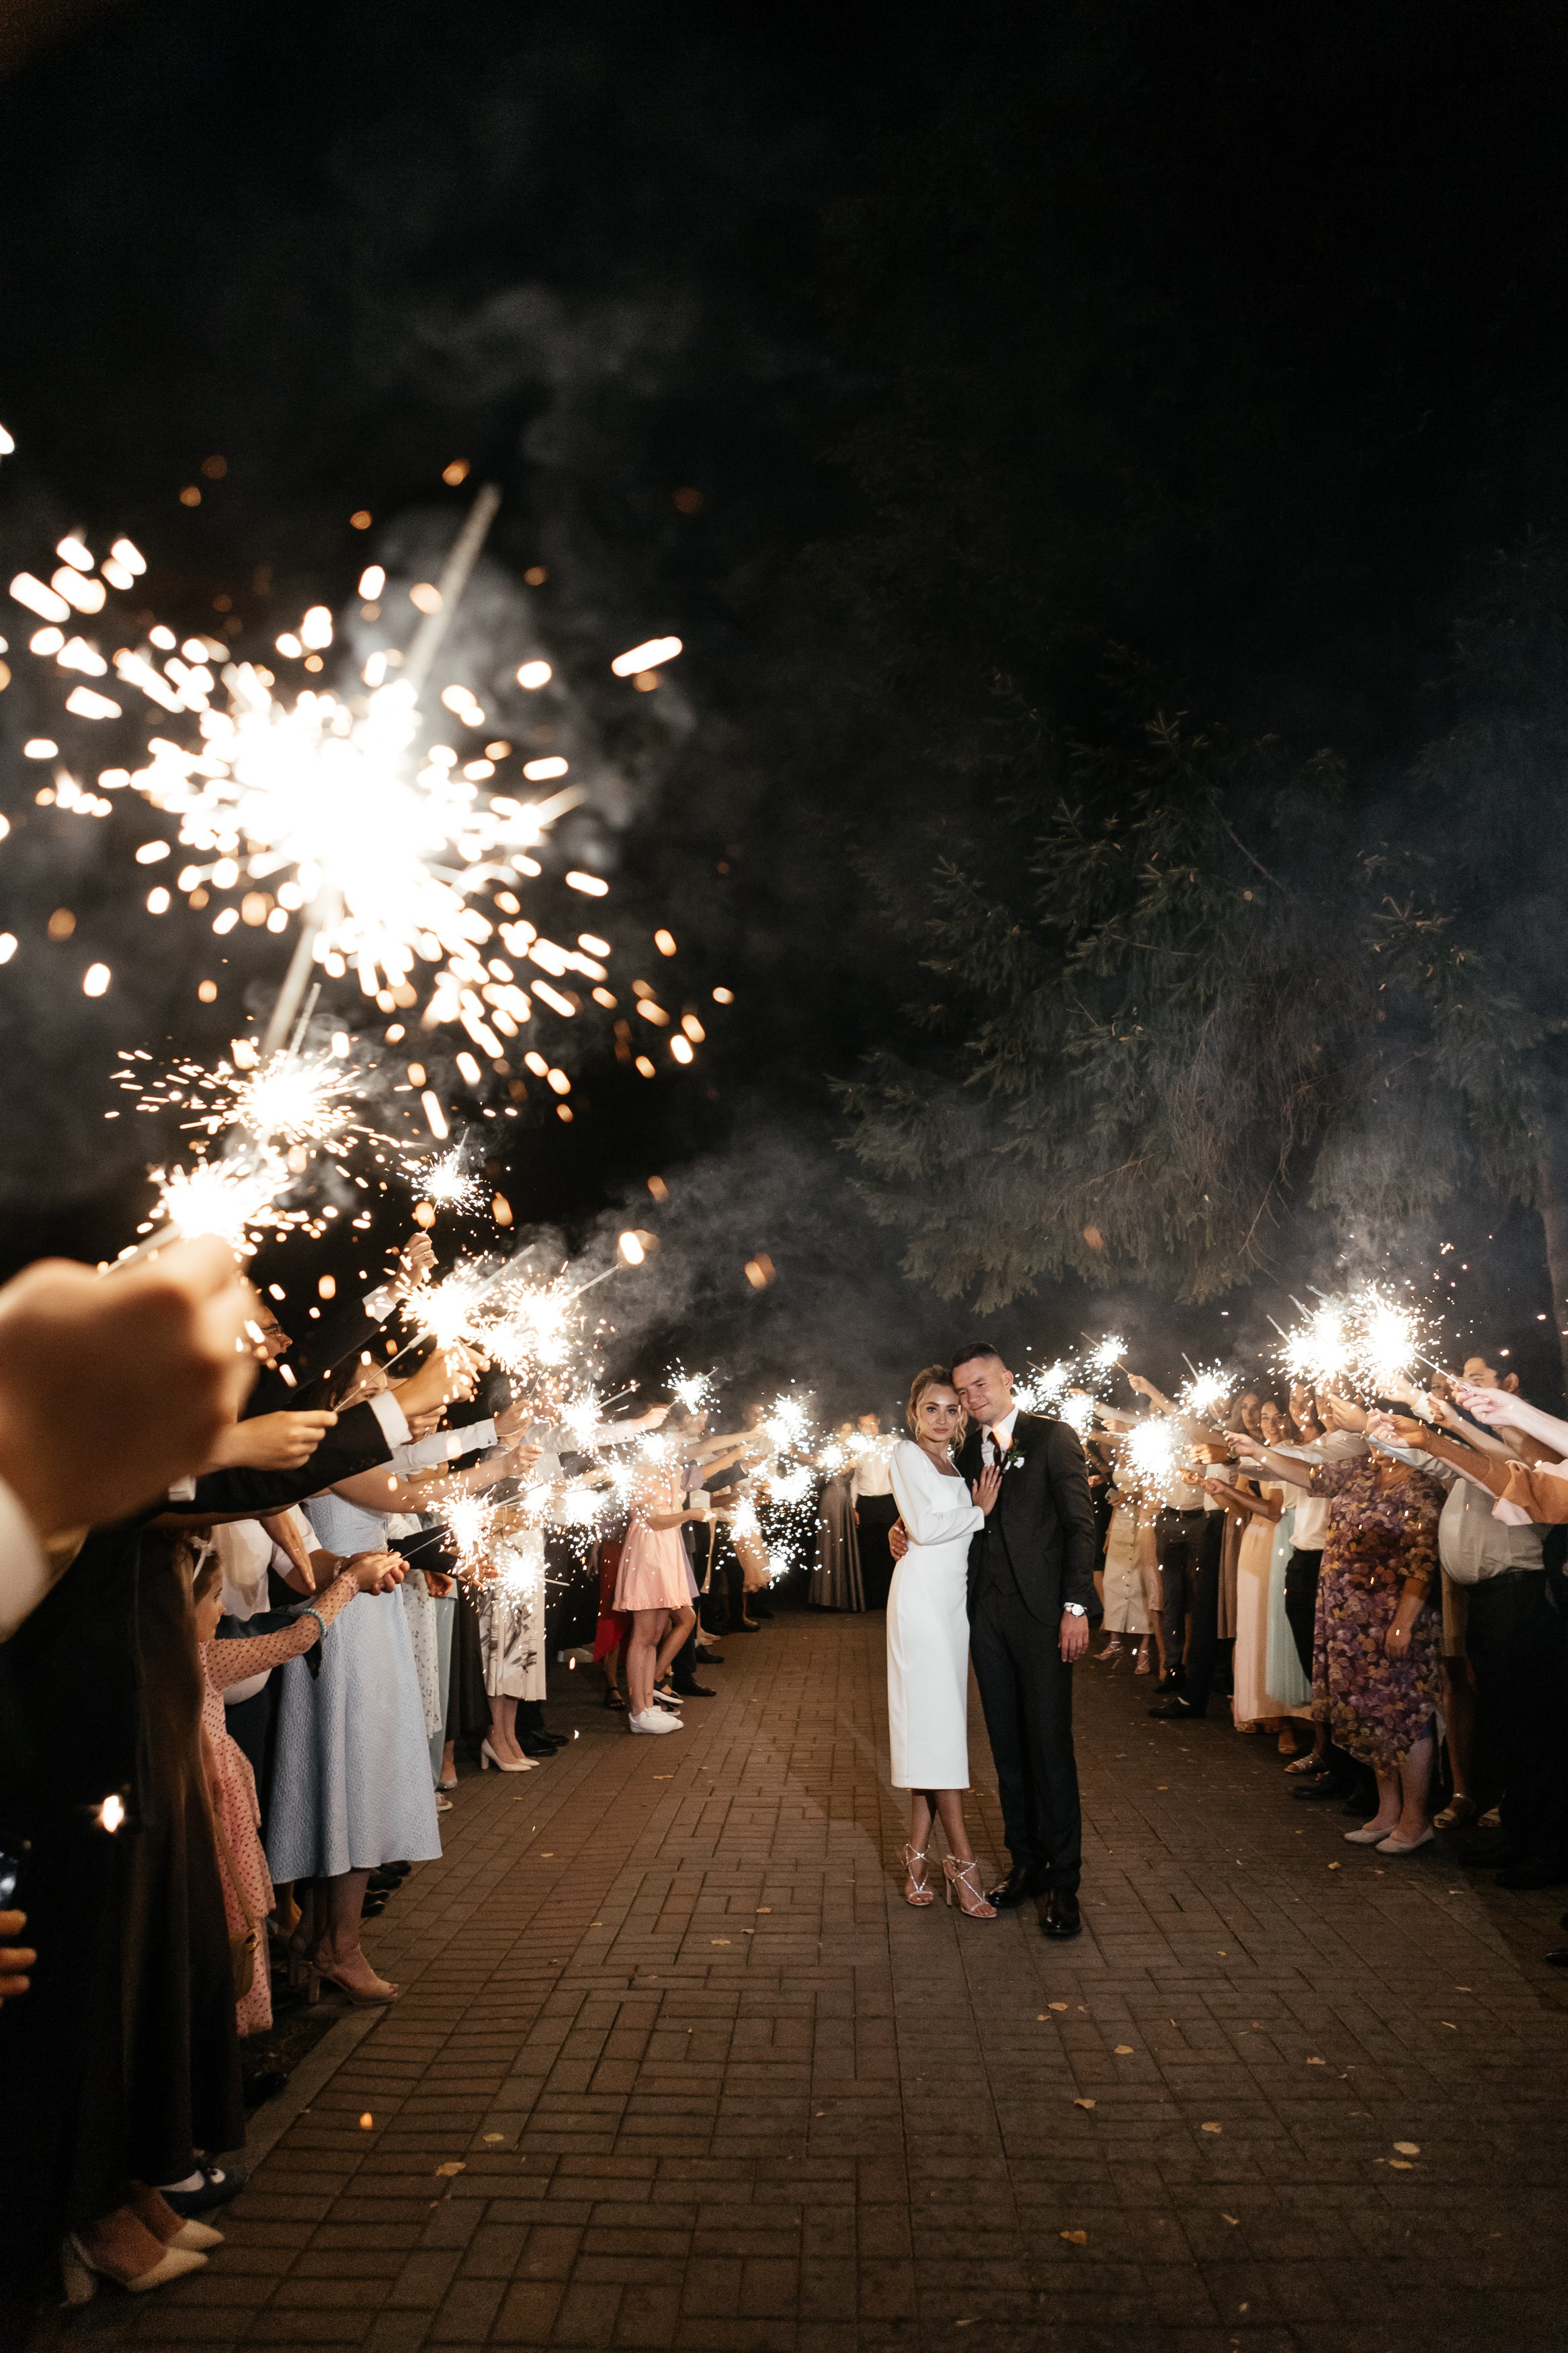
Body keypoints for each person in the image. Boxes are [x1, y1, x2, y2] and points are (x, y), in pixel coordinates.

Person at [194, 1537, 405, 2034]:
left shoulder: (177, 1660)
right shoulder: (204, 1661)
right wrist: (350, 1585)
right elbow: (298, 1637)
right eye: (212, 1599)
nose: (225, 1609)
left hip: (215, 1813)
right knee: (226, 1923)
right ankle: (225, 2029)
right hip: (215, 1821)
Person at [936, 1341, 1098, 1938]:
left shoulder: (1052, 1437)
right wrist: (903, 1536)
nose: (971, 1398)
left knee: (1049, 1748)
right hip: (986, 1617)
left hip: (1042, 1618)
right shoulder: (961, 1451)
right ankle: (1026, 1865)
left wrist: (1076, 1606)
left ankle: (1064, 1884)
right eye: (962, 1391)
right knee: (1006, 1748)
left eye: (980, 1385)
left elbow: (1081, 1526)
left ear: (1007, 1379)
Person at [1235, 1423, 1444, 1854]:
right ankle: (1387, 1810)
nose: (1376, 1436)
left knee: (1405, 1714)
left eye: (1387, 1427)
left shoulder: (1423, 1485)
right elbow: (1305, 1475)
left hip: (1392, 1618)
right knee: (1369, 1713)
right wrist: (1258, 1450)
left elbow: (1422, 1559)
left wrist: (1404, 1621)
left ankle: (1415, 1819)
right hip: (1348, 1619)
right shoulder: (1359, 1471)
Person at [884, 1367, 1001, 1917]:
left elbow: (925, 1519)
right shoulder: (905, 1454)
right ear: (914, 1413)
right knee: (940, 1732)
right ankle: (962, 1859)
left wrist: (917, 1520)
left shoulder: (954, 1462)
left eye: (952, 1409)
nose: (942, 1418)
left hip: (951, 1607)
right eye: (931, 1408)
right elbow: (928, 1530)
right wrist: (978, 1512)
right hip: (920, 1605)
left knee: (936, 1730)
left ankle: (915, 1856)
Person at [613, 1438, 711, 1734]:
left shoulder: (668, 1470)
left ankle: (648, 1705)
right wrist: (691, 1515)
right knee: (643, 1635)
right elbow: (654, 1520)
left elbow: (702, 1473)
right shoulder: (643, 1472)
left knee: (655, 1635)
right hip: (649, 1552)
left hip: (666, 1552)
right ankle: (638, 1711)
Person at [850, 1412, 899, 1609]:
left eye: (871, 1423)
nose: (868, 1428)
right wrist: (854, 1507)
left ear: (878, 1422)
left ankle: (891, 1598)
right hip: (866, 1504)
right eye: (863, 1425)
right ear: (859, 1427)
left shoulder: (892, 1442)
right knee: (869, 1553)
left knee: (890, 1551)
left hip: (888, 1502)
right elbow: (854, 1480)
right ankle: (871, 1598)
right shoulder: (857, 1448)